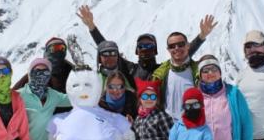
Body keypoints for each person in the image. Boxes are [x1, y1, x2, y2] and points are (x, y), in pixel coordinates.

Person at [76, 5, 215, 85]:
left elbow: (183, 54)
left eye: (149, 46)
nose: (145, 49)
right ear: (137, 51)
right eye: (142, 46)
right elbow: (108, 51)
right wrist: (92, 27)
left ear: (155, 50)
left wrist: (201, 36)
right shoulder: (130, 69)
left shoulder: (163, 69)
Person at [151, 19, 218, 119]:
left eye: (181, 44)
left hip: (192, 125)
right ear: (168, 49)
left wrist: (202, 36)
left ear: (187, 46)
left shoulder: (199, 72)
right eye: (172, 46)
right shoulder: (160, 74)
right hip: (167, 127)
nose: (176, 48)